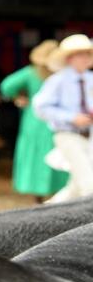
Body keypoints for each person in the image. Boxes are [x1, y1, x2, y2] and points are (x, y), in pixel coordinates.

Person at [0, 39, 67, 201]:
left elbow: (6, 86)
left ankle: (39, 196)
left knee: (36, 155)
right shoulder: (61, 74)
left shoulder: (31, 72)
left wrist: (18, 96)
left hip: (34, 120)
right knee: (58, 154)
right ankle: (57, 193)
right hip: (57, 120)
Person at [32, 33, 93, 199]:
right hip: (67, 134)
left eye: (88, 53)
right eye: (80, 54)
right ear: (69, 58)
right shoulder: (57, 81)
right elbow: (40, 107)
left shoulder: (90, 79)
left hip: (89, 136)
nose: (85, 58)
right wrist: (71, 117)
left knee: (75, 188)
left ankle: (46, 217)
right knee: (89, 184)